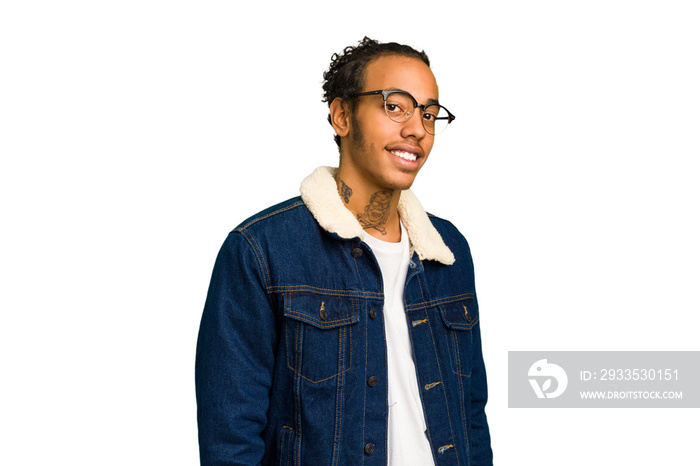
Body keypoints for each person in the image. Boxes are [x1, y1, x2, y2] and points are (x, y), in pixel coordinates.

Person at [195, 37, 492, 466]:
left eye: (428, 113)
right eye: (395, 106)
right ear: (341, 115)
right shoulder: (263, 250)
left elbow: (470, 416)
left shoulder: (448, 252)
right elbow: (230, 438)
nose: (417, 129)